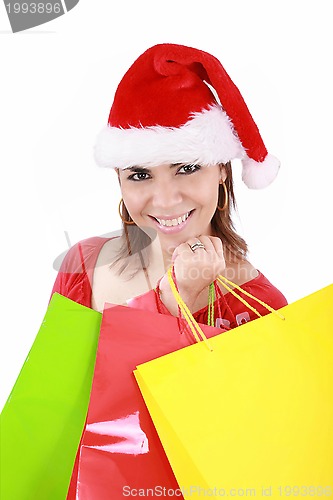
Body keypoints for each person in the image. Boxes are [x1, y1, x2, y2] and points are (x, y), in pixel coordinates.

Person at [51, 43, 287, 329]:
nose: (164, 200)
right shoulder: (83, 267)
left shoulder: (261, 308)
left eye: (187, 168)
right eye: (139, 175)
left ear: (222, 170)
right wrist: (175, 298)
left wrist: (178, 300)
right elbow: (55, 375)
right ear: (119, 179)